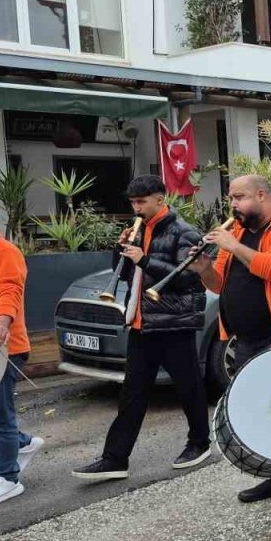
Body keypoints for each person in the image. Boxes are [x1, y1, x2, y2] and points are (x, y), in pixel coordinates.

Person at [190, 174, 271, 505]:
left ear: (262, 195)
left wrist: (234, 245)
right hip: (244, 339)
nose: (233, 204)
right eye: (231, 198)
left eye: (240, 197)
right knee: (264, 411)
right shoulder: (238, 231)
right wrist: (204, 267)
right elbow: (219, 285)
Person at [73, 176, 210, 480]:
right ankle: (115, 459)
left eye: (142, 202)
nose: (136, 208)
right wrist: (120, 248)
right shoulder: (139, 230)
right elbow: (122, 274)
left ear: (160, 199)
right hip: (141, 323)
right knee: (132, 394)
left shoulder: (183, 232)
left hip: (173, 325)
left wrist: (145, 260)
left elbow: (188, 278)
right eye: (133, 202)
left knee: (188, 388)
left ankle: (200, 442)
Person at [0, 200, 41, 506]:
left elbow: (9, 290)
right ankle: (22, 444)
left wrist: (1, 323)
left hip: (2, 347)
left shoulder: (4, 251)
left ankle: (7, 477)